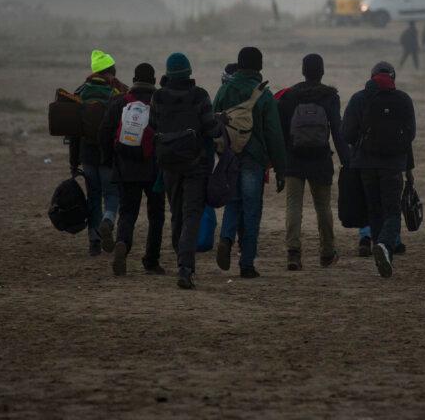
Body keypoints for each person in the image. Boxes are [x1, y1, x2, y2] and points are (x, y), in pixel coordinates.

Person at [214, 47, 287, 279]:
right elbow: (274, 134)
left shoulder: (224, 90)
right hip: (253, 160)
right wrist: (281, 168)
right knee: (252, 210)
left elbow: (213, 120)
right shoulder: (264, 95)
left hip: (229, 157)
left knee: (233, 203)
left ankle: (226, 238)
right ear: (260, 66)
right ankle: (246, 264)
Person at [151, 53, 221, 289]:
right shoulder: (200, 96)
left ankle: (180, 255)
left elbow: (152, 127)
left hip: (169, 164)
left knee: (176, 213)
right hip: (196, 164)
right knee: (192, 215)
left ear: (168, 73)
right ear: (189, 72)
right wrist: (221, 123)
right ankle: (185, 266)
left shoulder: (158, 97)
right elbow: (212, 129)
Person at [276, 54, 349, 271]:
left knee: (293, 205)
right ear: (322, 71)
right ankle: (327, 253)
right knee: (323, 207)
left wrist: (278, 162)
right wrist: (346, 161)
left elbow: (280, 131)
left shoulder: (290, 96)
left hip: (294, 158)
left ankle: (293, 253)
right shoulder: (330, 96)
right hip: (320, 159)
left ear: (303, 71)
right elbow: (337, 130)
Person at [343, 61, 416, 278]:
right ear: (393, 77)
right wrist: (406, 165)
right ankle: (384, 246)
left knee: (374, 210)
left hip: (365, 164)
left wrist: (362, 145)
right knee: (392, 211)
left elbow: (346, 132)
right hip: (393, 165)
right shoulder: (403, 99)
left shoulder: (359, 98)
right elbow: (410, 135)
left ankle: (381, 250)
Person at [99, 62, 165, 277]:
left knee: (128, 212)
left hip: (125, 167)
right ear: (154, 80)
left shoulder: (120, 101)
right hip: (154, 169)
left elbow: (105, 131)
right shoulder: (159, 102)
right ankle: (151, 261)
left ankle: (122, 244)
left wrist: (109, 161)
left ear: (134, 79)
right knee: (156, 216)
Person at [74, 49, 128, 256]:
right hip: (109, 156)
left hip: (87, 155)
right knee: (112, 194)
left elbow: (74, 132)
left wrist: (74, 161)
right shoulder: (117, 94)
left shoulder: (80, 93)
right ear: (111, 71)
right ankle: (108, 220)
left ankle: (94, 241)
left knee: (93, 197)